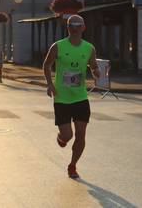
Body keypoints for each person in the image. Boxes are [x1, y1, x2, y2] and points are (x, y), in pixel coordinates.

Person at [43, 15, 100, 179]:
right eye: (71, 25)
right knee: (68, 135)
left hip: (81, 97)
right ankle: (62, 138)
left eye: (77, 25)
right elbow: (47, 64)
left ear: (83, 28)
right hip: (62, 97)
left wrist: (96, 72)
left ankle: (73, 165)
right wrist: (49, 84)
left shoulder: (89, 48)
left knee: (81, 133)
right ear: (67, 28)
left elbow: (94, 65)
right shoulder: (58, 46)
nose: (74, 28)